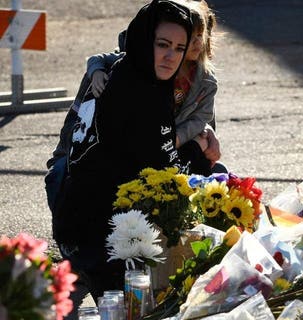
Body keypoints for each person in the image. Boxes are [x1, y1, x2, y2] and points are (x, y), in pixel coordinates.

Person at [51, 0, 206, 316]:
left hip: (101, 221)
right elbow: (159, 163)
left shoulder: (141, 75)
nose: (170, 56)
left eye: (178, 48)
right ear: (143, 39)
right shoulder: (134, 89)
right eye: (162, 44)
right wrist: (200, 155)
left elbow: (156, 155)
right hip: (99, 231)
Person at [44, 0, 223, 213]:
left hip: (162, 157)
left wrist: (201, 136)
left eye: (195, 37)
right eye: (164, 43)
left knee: (218, 175)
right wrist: (95, 70)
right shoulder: (125, 73)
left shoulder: (202, 80)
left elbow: (200, 123)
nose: (192, 43)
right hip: (92, 175)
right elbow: (123, 152)